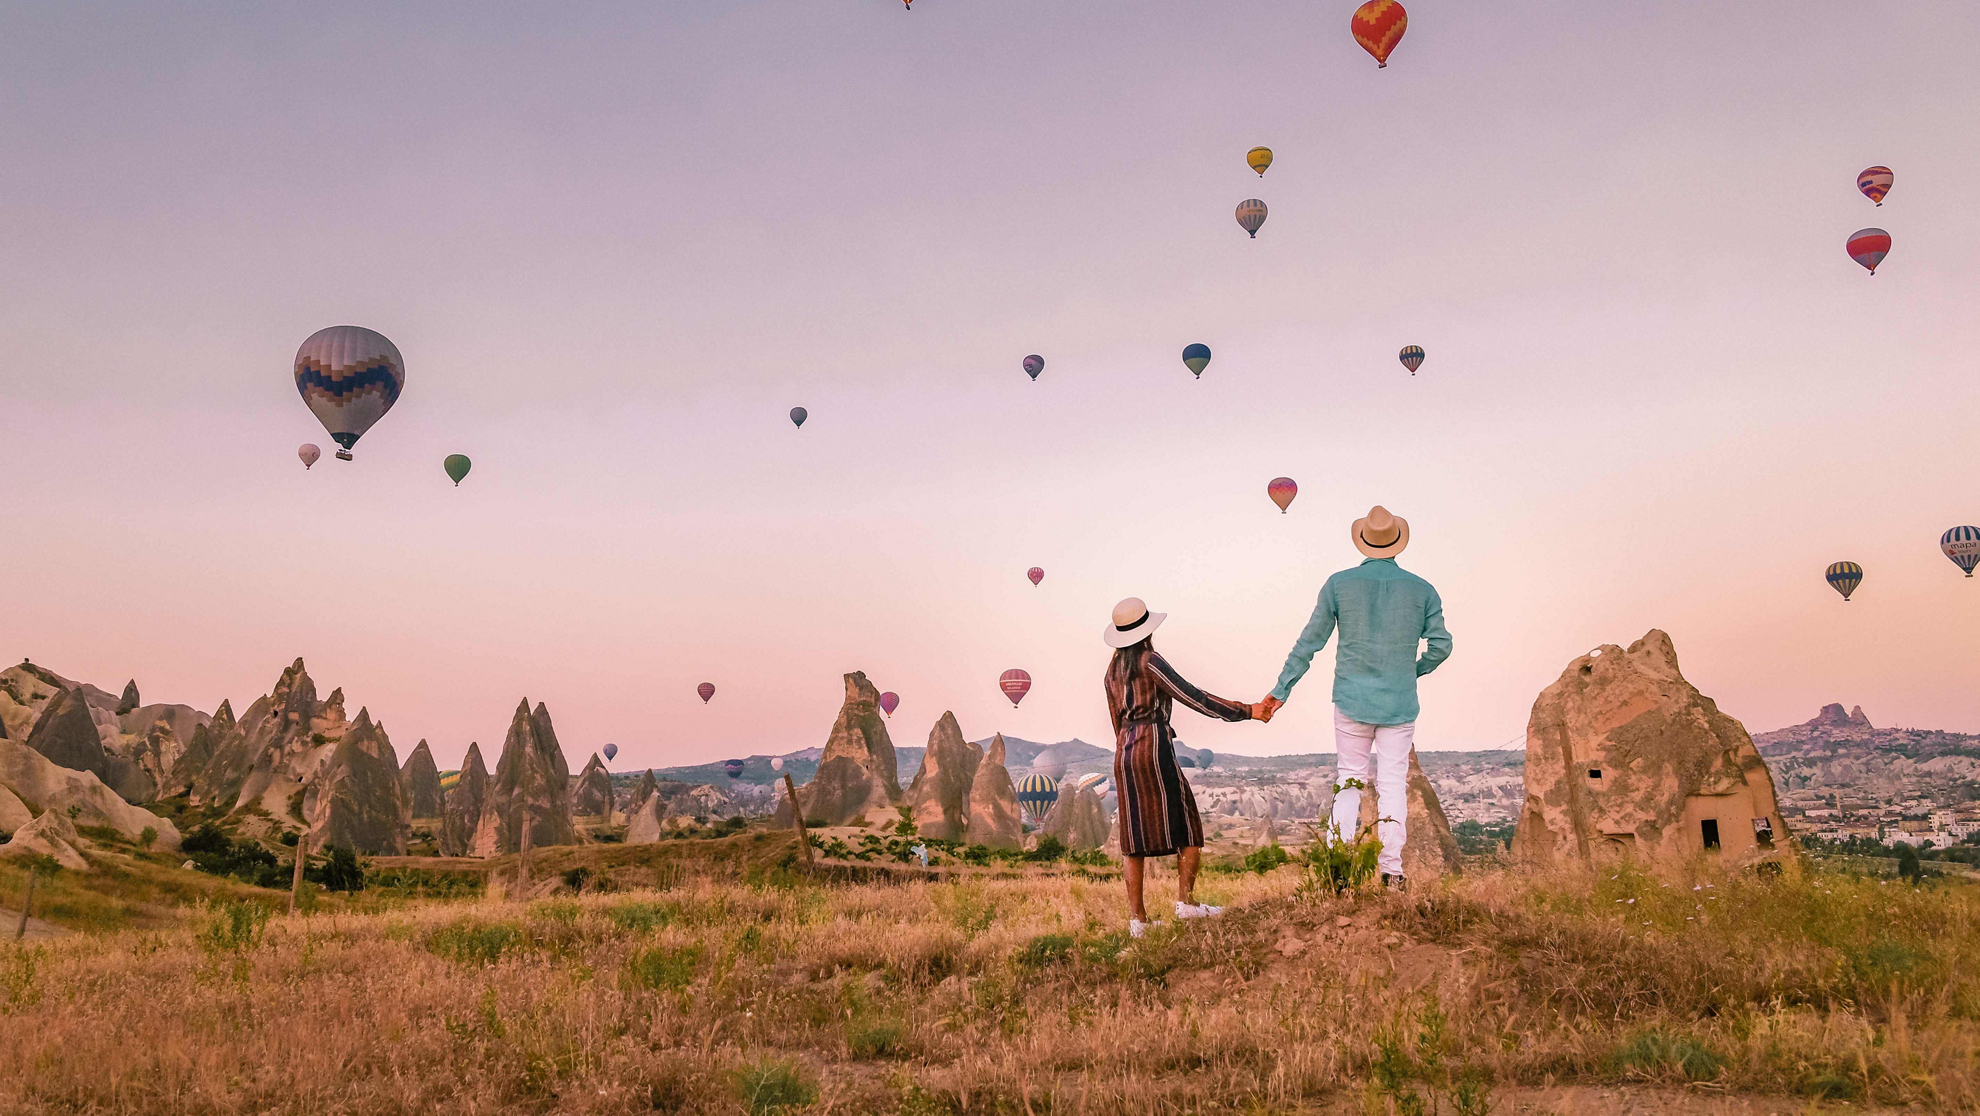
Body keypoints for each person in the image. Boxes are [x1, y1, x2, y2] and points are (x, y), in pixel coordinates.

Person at [1259, 506, 1451, 892]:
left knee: (1349, 780)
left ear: (1362, 540)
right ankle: (1392, 872)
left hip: (1350, 700)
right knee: (1394, 785)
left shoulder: (1338, 585)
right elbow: (1441, 645)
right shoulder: (1422, 589)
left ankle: (1340, 868)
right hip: (1399, 705)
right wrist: (1411, 671)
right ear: (1397, 542)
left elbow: (1308, 642)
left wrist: (1281, 690)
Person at [1103, 596, 1266, 937]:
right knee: (1189, 824)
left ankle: (1138, 922)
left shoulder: (1112, 671)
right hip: (1153, 745)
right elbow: (1193, 696)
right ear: (1147, 631)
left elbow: (1115, 718)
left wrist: (1126, 746)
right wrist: (1245, 710)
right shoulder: (1151, 662)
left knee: (1133, 837)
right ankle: (1186, 904)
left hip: (1124, 751)